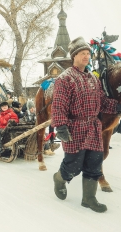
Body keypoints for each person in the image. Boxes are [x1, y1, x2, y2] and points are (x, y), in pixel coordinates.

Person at [51, 37, 121, 213]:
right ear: (74, 56)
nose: (86, 56)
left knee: (94, 164)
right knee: (73, 165)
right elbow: (59, 104)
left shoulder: (93, 79)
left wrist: (117, 106)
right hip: (75, 128)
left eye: (88, 53)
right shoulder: (65, 79)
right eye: (82, 53)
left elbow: (102, 101)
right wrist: (61, 126)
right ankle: (59, 179)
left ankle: (89, 198)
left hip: (94, 128)